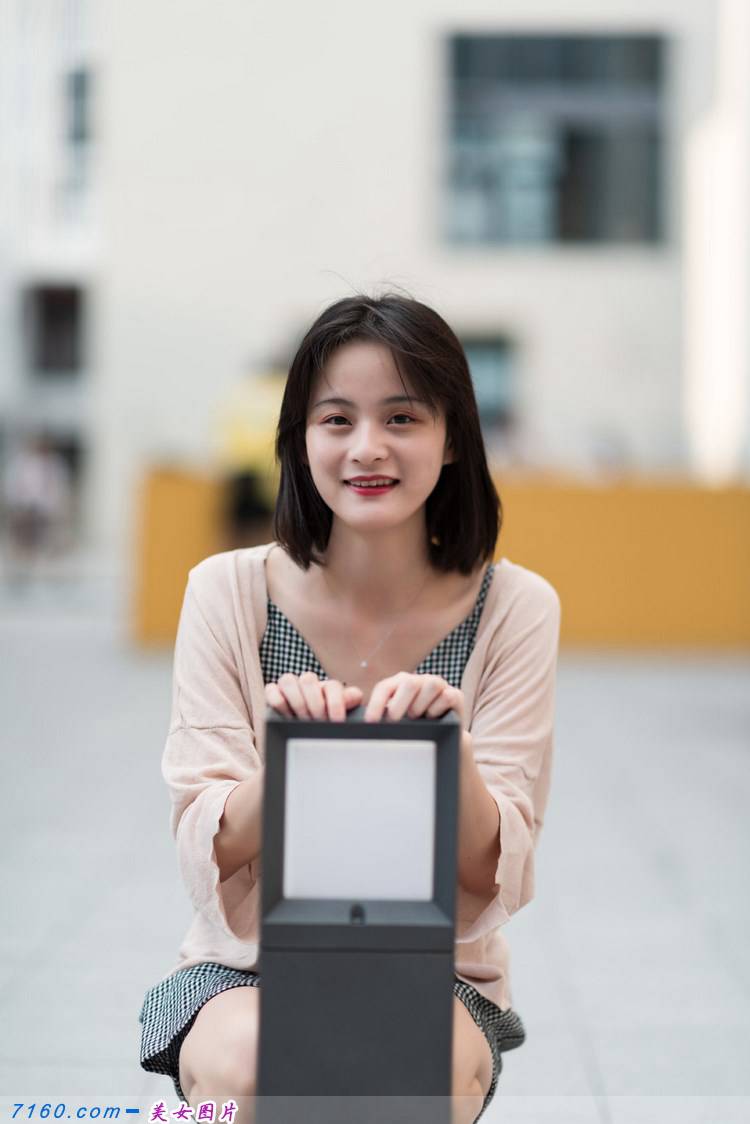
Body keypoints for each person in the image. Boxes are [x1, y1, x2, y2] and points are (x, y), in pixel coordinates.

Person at [138, 293, 561, 1124]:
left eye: (401, 417)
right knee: (251, 1066)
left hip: (439, 973)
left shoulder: (516, 606)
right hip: (245, 967)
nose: (367, 447)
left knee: (410, 1065)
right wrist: (296, 753)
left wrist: (448, 753)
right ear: (300, 439)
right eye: (337, 419)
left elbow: (495, 871)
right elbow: (206, 844)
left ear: (452, 439)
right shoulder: (226, 592)